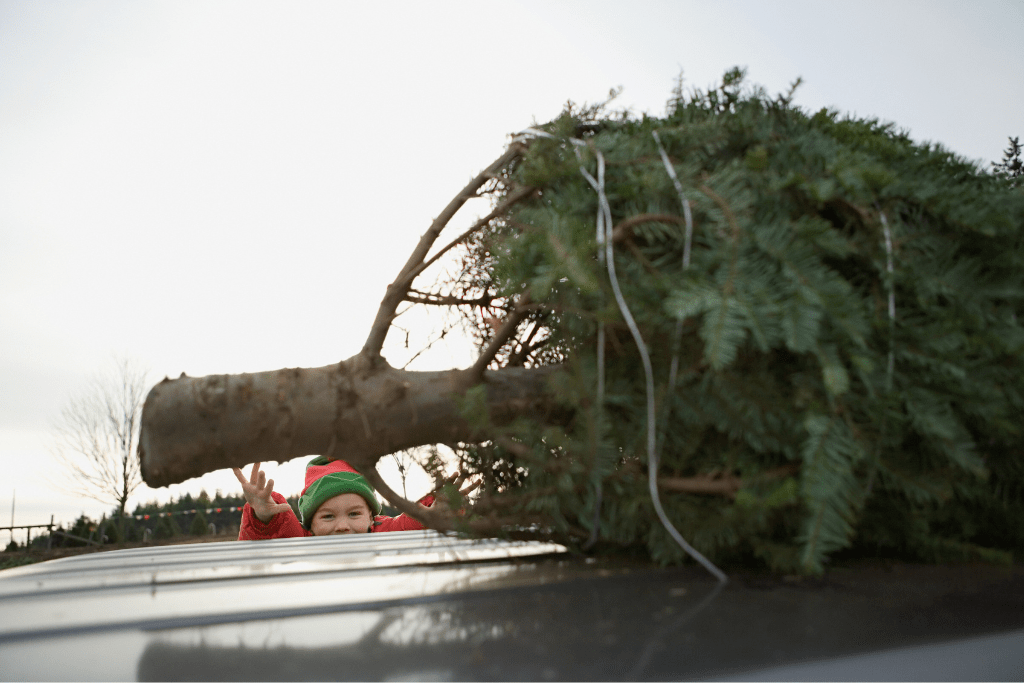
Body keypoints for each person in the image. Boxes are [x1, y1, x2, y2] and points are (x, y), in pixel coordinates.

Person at [234, 456, 470, 540]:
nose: (343, 526)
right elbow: (276, 531)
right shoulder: (304, 538)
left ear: (372, 517)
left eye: (354, 513)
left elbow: (412, 523)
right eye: (327, 516)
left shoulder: (381, 532)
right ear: (310, 525)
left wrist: (435, 513)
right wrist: (263, 518)